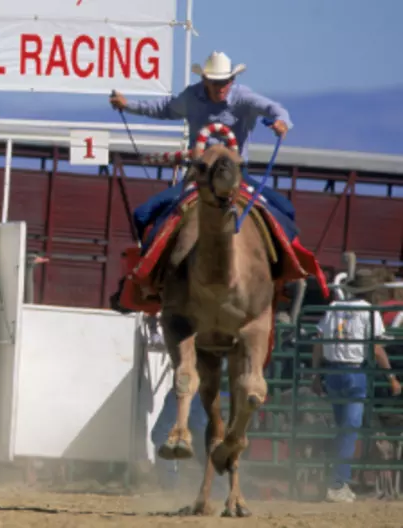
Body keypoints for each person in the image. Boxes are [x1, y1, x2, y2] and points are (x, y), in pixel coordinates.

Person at [107, 51, 296, 313]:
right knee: (144, 214)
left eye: (225, 81)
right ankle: (151, 279)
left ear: (232, 79)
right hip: (198, 176)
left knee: (286, 211)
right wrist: (128, 105)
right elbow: (164, 108)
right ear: (205, 80)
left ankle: (281, 280)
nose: (221, 87)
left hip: (236, 176)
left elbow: (274, 109)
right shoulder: (191, 97)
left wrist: (281, 122)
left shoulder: (243, 98)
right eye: (216, 82)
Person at [311, 269, 401, 503]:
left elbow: (319, 344)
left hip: (332, 373)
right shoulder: (369, 312)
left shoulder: (333, 308)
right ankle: (337, 483)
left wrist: (316, 375)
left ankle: (334, 480)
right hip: (354, 372)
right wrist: (391, 377)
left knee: (344, 428)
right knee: (350, 429)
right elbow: (376, 348)